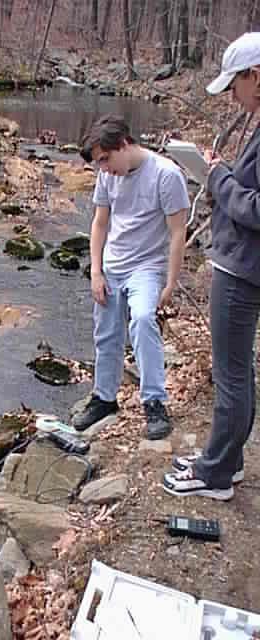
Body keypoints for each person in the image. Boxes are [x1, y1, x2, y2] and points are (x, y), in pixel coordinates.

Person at [164, 31, 260, 501]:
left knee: (231, 375)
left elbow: (256, 209)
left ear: (255, 76)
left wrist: (218, 178)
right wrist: (225, 171)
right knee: (238, 371)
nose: (232, 97)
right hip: (242, 262)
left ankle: (216, 473)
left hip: (243, 268)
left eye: (234, 86)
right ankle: (228, 461)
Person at [72, 114, 190, 439]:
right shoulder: (107, 175)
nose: (104, 168)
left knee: (142, 320)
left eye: (106, 159)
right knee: (106, 333)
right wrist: (96, 271)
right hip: (112, 265)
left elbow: (177, 232)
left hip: (147, 267)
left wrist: (170, 283)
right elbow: (100, 223)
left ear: (124, 144)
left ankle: (154, 402)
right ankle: (104, 398)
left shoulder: (166, 175)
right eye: (98, 162)